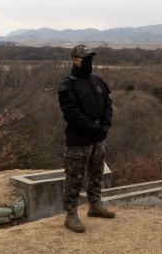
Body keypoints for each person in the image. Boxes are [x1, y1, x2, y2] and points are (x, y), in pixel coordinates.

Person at [58, 44, 115, 233]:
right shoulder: (68, 85)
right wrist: (92, 128)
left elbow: (108, 105)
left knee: (96, 173)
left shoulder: (98, 81)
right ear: (76, 60)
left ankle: (95, 205)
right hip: (79, 140)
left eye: (91, 57)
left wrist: (105, 126)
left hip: (98, 139)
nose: (90, 61)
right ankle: (71, 214)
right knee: (74, 178)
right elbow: (71, 113)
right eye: (86, 58)